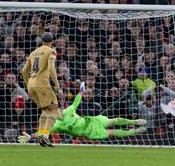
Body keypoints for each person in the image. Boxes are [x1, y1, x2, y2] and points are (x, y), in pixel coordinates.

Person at [18, 82, 147, 143]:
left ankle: (134, 122)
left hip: (92, 120)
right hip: (90, 132)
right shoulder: (57, 125)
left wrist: (81, 91)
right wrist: (30, 136)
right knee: (112, 133)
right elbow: (43, 132)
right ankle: (135, 131)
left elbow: (76, 102)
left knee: (113, 120)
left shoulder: (68, 110)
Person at [21, 32, 60, 147]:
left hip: (32, 84)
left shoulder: (33, 53)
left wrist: (28, 85)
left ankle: (41, 136)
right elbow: (52, 68)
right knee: (53, 110)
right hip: (42, 84)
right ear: (52, 41)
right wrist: (57, 84)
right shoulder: (51, 51)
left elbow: (24, 71)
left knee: (45, 111)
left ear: (42, 40)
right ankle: (45, 136)